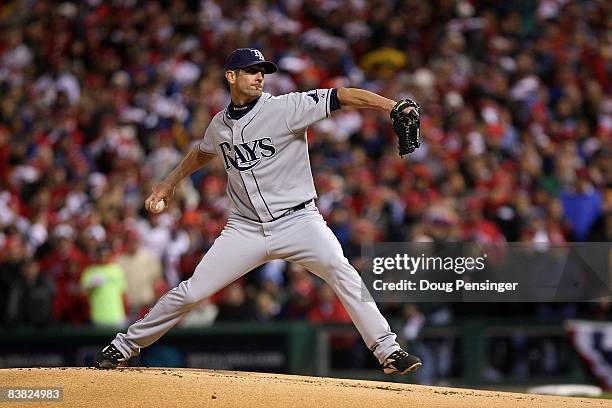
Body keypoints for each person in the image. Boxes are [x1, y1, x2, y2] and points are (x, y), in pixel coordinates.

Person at [95, 48, 422, 374]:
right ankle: (123, 346)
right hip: (245, 229)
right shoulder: (219, 124)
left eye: (262, 71)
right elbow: (203, 152)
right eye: (251, 71)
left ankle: (388, 350)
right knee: (193, 291)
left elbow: (344, 95)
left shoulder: (286, 107)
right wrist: (169, 183)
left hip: (299, 221)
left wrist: (392, 106)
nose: (259, 77)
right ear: (231, 77)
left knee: (341, 270)